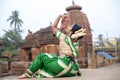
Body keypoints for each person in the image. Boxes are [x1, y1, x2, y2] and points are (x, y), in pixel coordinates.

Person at [17, 13, 86, 79]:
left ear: (71, 32)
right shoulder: (76, 40)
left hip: (62, 66)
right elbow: (67, 32)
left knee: (42, 56)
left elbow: (54, 27)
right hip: (72, 69)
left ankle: (27, 74)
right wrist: (63, 25)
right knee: (53, 55)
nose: (68, 26)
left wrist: (59, 17)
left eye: (70, 27)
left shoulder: (64, 37)